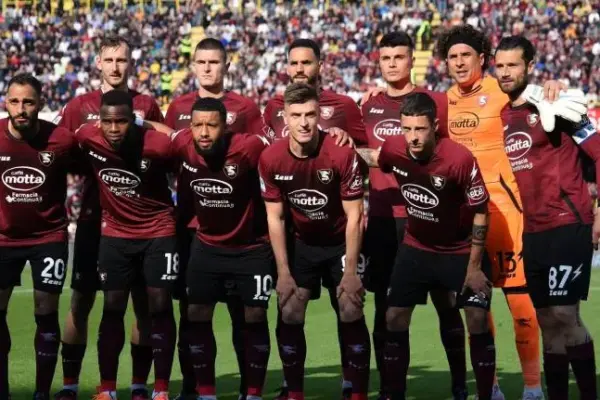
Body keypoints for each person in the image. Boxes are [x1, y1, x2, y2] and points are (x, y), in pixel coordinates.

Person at [357, 91, 496, 400]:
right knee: (393, 316)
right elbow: (375, 158)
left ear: (435, 126)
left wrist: (474, 268)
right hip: (417, 247)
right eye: (407, 129)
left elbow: (481, 212)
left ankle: (478, 391)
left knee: (476, 318)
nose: (413, 137)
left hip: (460, 250)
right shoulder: (395, 148)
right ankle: (394, 393)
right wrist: (341, 147)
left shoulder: (458, 159)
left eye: (420, 129)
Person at [436, 24, 548, 400]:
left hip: (508, 214)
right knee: (477, 310)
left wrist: (554, 87)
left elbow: (541, 98)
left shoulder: (503, 90)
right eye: (452, 57)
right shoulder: (442, 103)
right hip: (466, 221)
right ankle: (491, 386)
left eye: (465, 55)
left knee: (522, 307)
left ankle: (532, 387)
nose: (458, 62)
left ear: (482, 58)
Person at [360, 31, 470, 400]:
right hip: (381, 218)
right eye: (385, 58)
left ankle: (459, 384)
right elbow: (355, 151)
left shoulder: (435, 102)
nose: (392, 64)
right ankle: (391, 388)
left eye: (399, 57)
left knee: (447, 303)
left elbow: (453, 153)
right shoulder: (367, 106)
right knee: (386, 308)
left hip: (429, 216)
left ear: (412, 60)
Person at [53, 35, 164, 400]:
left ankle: (138, 386)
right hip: (93, 218)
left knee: (141, 304)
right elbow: (60, 154)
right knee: (81, 300)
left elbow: (165, 150)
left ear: (130, 64)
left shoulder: (147, 105)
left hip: (137, 223)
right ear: (98, 63)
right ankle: (69, 385)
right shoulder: (78, 106)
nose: (116, 67)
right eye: (110, 60)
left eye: (122, 60)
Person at [262, 37, 366, 399]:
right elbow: (274, 214)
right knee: (290, 307)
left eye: (310, 115)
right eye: (296, 116)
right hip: (301, 238)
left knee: (349, 305)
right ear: (285, 117)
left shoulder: (342, 117)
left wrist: (351, 269)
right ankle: (293, 390)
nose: (304, 123)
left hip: (340, 237)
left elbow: (357, 207)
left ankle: (354, 388)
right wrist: (283, 271)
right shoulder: (271, 134)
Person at [495, 35, 598, 400]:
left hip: (568, 223)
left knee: (565, 314)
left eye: (512, 65)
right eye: (500, 66)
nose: (505, 72)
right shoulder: (504, 115)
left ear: (530, 66)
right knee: (546, 321)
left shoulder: (559, 103)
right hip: (534, 230)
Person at [165, 37, 267, 400]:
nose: (208, 68)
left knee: (245, 313)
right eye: (202, 62)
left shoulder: (247, 108)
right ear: (193, 65)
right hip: (193, 230)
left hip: (240, 232)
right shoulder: (178, 106)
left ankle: (248, 389)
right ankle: (192, 388)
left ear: (226, 65)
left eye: (214, 62)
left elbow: (262, 156)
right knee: (191, 311)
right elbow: (169, 149)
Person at [75, 91, 177, 400]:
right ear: (99, 121)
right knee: (112, 307)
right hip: (115, 235)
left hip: (158, 232)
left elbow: (180, 140)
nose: (114, 128)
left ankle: (159, 389)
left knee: (159, 307)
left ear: (133, 120)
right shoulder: (88, 137)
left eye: (121, 121)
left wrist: (145, 123)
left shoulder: (157, 145)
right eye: (107, 122)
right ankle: (107, 389)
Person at [0, 73, 77, 400]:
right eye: (15, 101)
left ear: (40, 104)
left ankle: (42, 393)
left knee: (46, 313)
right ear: (6, 103)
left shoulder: (61, 140)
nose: (21, 108)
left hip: (48, 237)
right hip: (3, 240)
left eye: (28, 102)